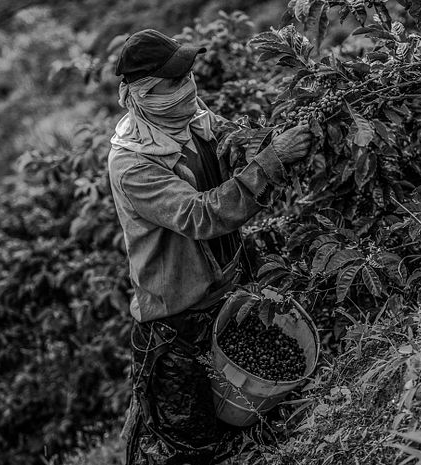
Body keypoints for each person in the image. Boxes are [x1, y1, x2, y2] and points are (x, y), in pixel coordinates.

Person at [107, 29, 312, 464]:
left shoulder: (190, 117)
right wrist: (272, 161)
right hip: (178, 323)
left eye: (187, 78)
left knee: (249, 420)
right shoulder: (132, 162)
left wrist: (269, 140)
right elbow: (201, 215)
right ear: (143, 94)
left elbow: (231, 141)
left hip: (225, 295)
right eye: (173, 85)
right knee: (194, 445)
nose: (187, 90)